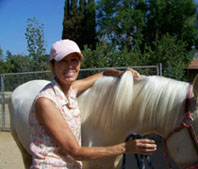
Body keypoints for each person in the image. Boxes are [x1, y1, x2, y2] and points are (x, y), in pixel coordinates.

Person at [29, 39, 157, 169]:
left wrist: (122, 74)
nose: (70, 66)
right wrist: (125, 147)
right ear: (52, 65)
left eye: (74, 60)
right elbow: (76, 152)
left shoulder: (72, 89)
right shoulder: (46, 102)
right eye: (63, 61)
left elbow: (103, 73)